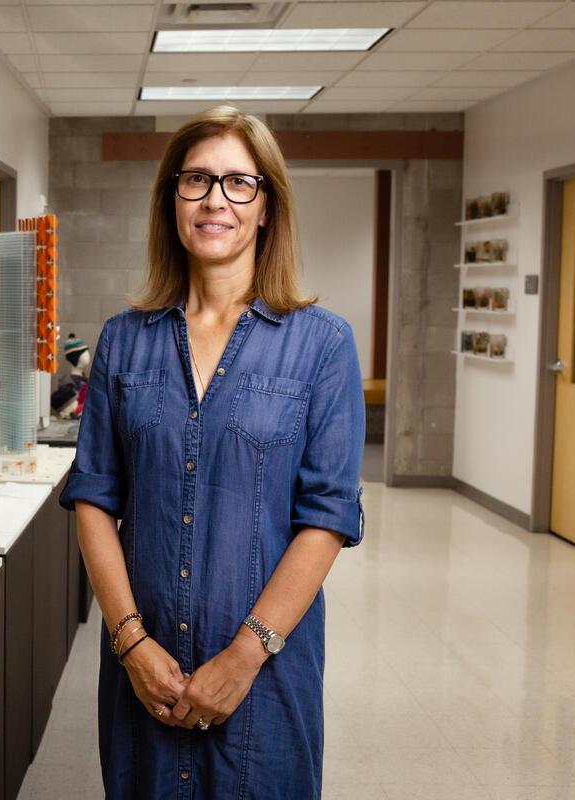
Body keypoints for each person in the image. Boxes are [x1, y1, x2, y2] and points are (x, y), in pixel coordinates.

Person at [59, 106, 365, 799]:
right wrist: (131, 644)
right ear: (172, 199)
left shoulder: (321, 344)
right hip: (147, 673)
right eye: (196, 180)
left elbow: (329, 517)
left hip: (267, 676)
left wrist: (244, 655)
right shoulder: (124, 341)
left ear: (266, 207)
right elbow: (94, 499)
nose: (215, 200)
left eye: (237, 183)